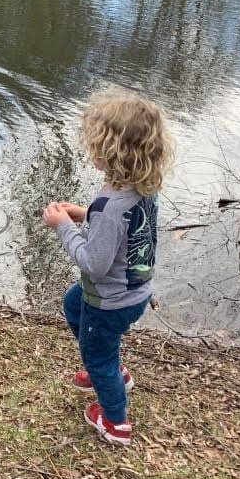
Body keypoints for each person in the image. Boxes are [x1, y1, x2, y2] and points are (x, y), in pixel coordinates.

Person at [42, 90, 173, 446]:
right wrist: (86, 215)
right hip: (135, 292)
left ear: (110, 151)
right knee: (72, 305)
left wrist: (63, 227)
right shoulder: (143, 190)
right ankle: (109, 367)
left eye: (94, 144)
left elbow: (94, 264)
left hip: (108, 299)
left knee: (98, 355)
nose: (90, 150)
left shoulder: (110, 204)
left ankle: (115, 421)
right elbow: (125, 231)